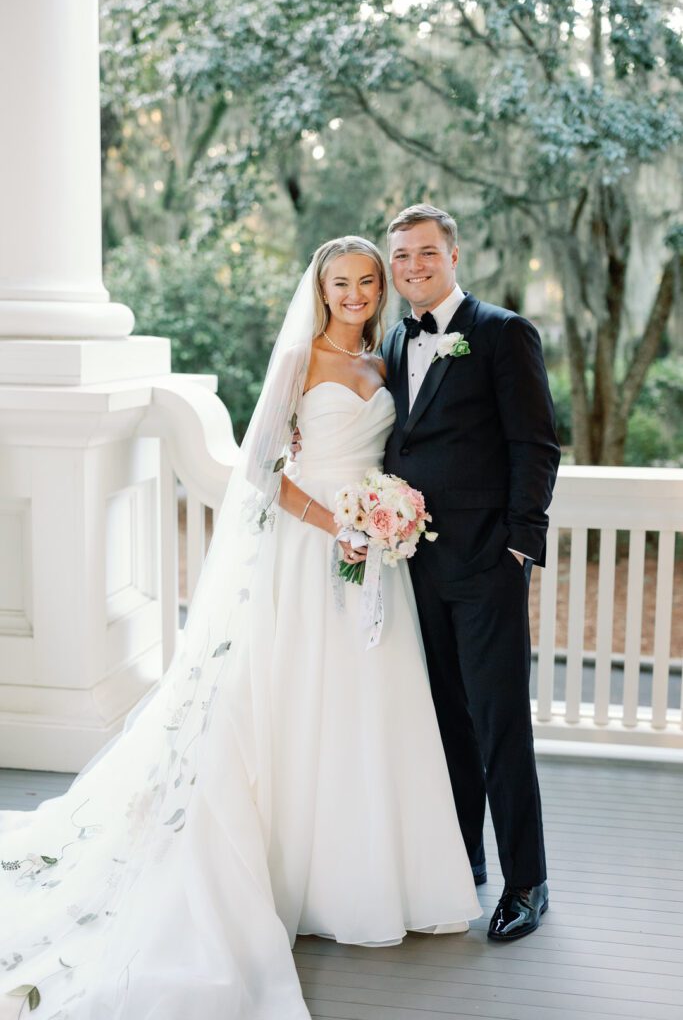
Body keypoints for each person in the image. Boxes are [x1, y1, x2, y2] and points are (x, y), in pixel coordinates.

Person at [0, 236, 480, 1020]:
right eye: (340, 283)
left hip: (373, 558)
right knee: (291, 700)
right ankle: (287, 869)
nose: (355, 294)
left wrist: (387, 516)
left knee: (367, 709)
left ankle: (358, 876)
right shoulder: (301, 361)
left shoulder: (387, 362)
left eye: (366, 281)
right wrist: (338, 523)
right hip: (307, 550)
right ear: (319, 290)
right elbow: (261, 472)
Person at [382, 204, 561, 940]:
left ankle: (527, 881)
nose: (412, 267)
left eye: (425, 252)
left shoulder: (501, 332)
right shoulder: (393, 339)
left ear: (452, 255)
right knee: (444, 722)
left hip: (486, 563)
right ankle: (464, 861)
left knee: (499, 725)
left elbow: (535, 443)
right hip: (411, 565)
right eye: (401, 257)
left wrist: (518, 546)